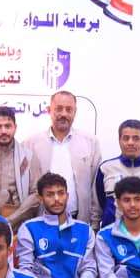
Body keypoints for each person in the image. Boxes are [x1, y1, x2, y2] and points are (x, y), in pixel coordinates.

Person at [16, 172, 103, 278]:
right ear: (40, 198)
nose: (56, 199)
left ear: (67, 195)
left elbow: (89, 268)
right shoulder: (29, 228)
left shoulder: (84, 230)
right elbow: (25, 271)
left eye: (61, 193)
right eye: (50, 194)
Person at [25, 91, 101, 225]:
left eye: (69, 109)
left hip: (78, 220)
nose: (64, 114)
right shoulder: (31, 144)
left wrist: (94, 224)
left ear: (75, 112)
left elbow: (95, 187)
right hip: (41, 222)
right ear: (49, 110)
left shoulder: (90, 142)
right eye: (59, 109)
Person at [93, 119, 140, 229]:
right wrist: (95, 227)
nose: (130, 143)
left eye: (136, 138)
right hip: (112, 235)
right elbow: (98, 205)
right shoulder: (106, 168)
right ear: (119, 141)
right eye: (126, 138)